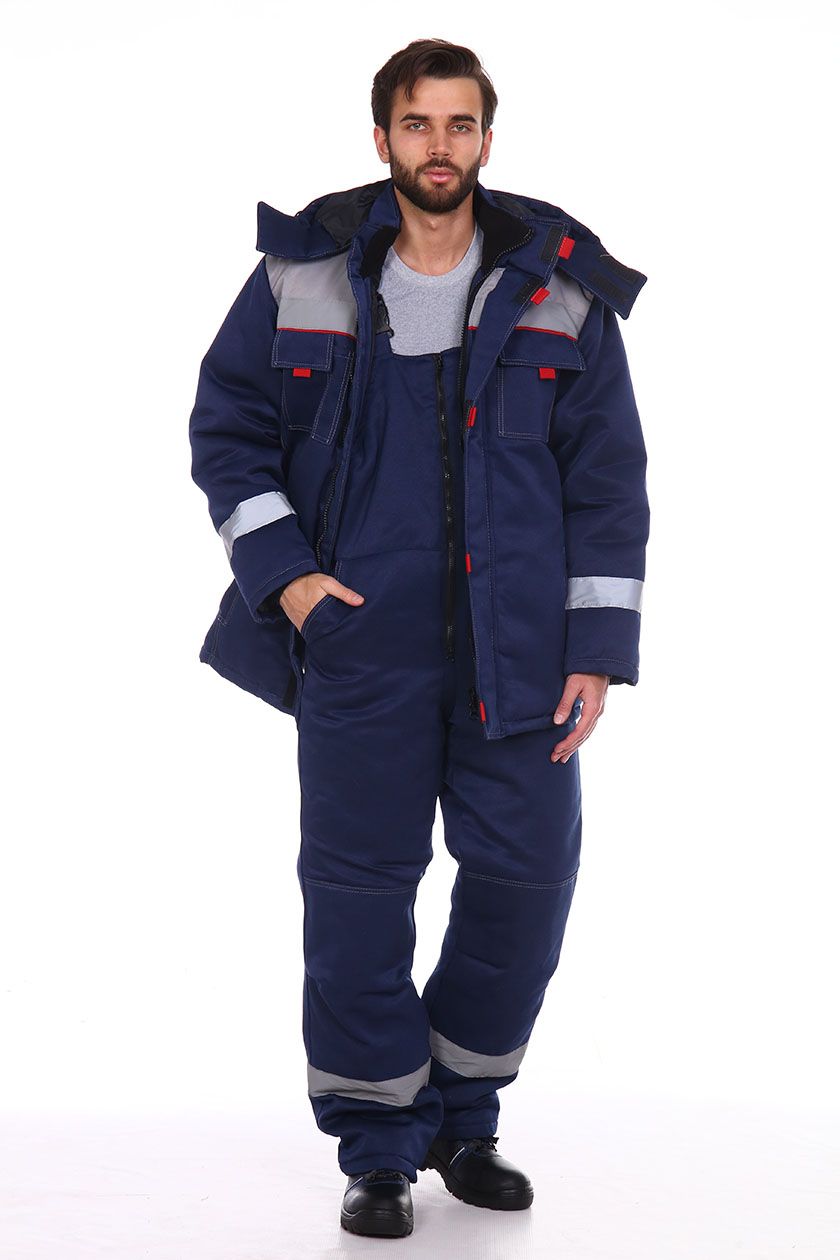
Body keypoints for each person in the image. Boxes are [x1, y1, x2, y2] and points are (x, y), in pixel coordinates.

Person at [188, 37, 650, 1240]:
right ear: (382, 137)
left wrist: (596, 645)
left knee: (527, 880)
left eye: (459, 124)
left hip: (523, 655)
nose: (438, 147)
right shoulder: (302, 275)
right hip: (360, 644)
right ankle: (380, 1143)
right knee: (356, 895)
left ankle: (461, 1116)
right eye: (416, 123)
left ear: (488, 138)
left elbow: (607, 480)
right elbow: (226, 429)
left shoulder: (560, 287)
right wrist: (287, 581)